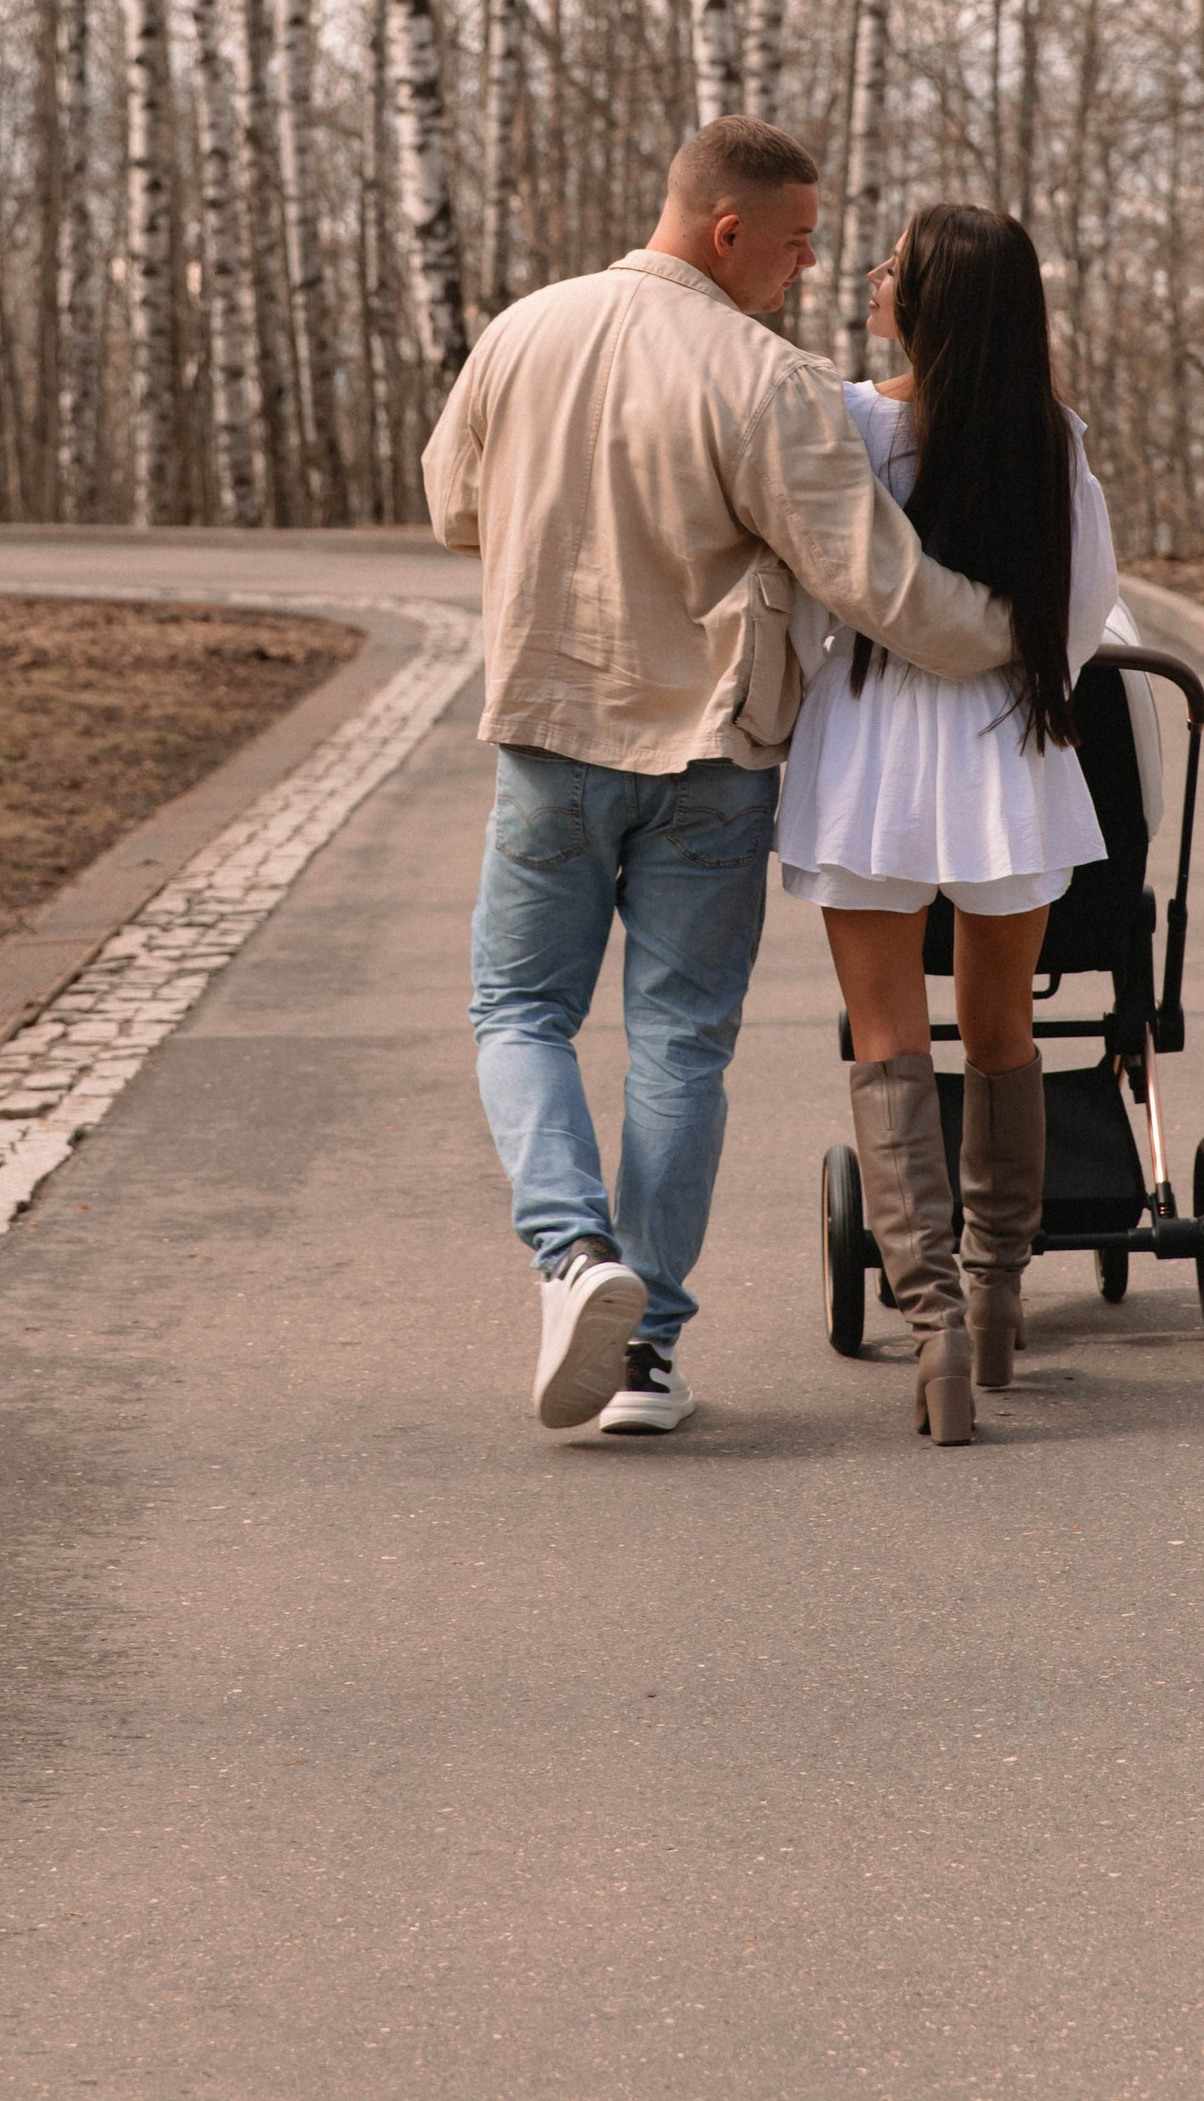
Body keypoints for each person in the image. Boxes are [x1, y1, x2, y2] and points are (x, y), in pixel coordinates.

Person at [422, 120, 1018, 1440]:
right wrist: (1023, 633)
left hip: (546, 730)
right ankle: (646, 1361)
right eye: (799, 242)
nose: (811, 270)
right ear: (728, 230)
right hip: (708, 753)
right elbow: (880, 585)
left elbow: (452, 506)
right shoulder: (767, 378)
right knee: (682, 1043)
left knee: (520, 1013)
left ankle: (574, 1256)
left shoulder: (523, 330)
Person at [775, 203, 1120, 1449]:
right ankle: (995, 1289)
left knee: (885, 1036)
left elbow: (822, 583)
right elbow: (1080, 619)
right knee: (999, 1030)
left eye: (893, 265)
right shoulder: (1051, 441)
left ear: (929, 302)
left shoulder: (853, 425)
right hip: (1002, 760)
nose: (871, 276)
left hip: (867, 751)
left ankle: (929, 1331)